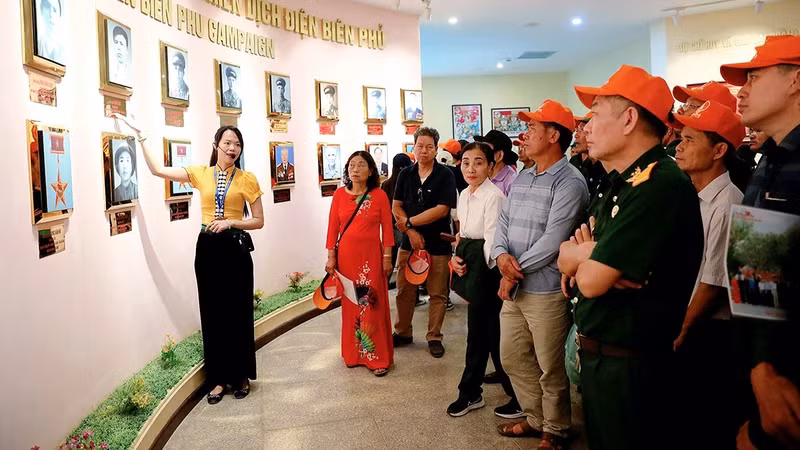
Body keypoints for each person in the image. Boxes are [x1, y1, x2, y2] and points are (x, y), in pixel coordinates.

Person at [557, 65, 704, 450]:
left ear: (628, 119)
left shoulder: (657, 184)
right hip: (605, 358)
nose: (585, 128)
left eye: (595, 115)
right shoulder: (621, 183)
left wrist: (585, 256)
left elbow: (588, 280)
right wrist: (587, 254)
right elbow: (565, 256)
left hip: (632, 365)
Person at [114, 115, 264, 404]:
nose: (232, 149)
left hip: (235, 249)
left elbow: (258, 221)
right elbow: (158, 170)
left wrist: (231, 222)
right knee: (212, 313)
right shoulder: (201, 173)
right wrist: (141, 134)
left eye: (237, 145)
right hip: (208, 248)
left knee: (238, 312)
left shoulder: (247, 179)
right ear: (216, 145)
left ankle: (241, 375)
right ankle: (218, 379)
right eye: (227, 143)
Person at [492, 100, 588, 448]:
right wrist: (501, 256)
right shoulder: (524, 176)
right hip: (515, 286)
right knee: (512, 357)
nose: (524, 134)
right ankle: (536, 418)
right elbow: (502, 223)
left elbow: (554, 240)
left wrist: (511, 273)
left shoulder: (569, 182)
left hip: (546, 289)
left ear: (553, 135)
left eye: (532, 128)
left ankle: (557, 429)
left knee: (549, 365)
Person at [720, 35, 800, 450]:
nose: (742, 90)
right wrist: (759, 367)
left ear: (794, 81)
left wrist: (769, 372)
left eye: (754, 77)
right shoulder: (773, 157)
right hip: (762, 363)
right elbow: (755, 271)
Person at [669, 100, 747, 447]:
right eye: (680, 138)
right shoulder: (688, 194)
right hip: (681, 318)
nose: (678, 147)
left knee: (706, 419)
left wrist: (681, 328)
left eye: (689, 140)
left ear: (718, 150)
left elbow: (713, 280)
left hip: (707, 328)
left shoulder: (728, 202)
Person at [447, 142, 520, 419]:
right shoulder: (464, 194)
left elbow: (493, 240)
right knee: (480, 334)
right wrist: (456, 257)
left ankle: (515, 394)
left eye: (478, 162)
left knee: (493, 335)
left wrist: (473, 261)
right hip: (472, 266)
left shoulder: (495, 196)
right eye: (465, 162)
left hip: (489, 271)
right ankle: (473, 391)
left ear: (491, 166)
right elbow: (462, 234)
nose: (471, 168)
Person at [325, 151, 395, 376]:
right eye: (351, 165)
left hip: (371, 259)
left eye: (361, 165)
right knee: (352, 305)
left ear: (371, 170)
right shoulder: (338, 195)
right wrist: (331, 257)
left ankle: (377, 357)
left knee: (371, 304)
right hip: (346, 259)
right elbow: (332, 229)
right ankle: (354, 354)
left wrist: (387, 258)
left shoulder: (379, 195)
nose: (355, 169)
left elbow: (388, 230)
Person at [392, 127, 457, 358]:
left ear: (436, 148)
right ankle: (403, 332)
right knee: (404, 290)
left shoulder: (446, 175)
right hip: (409, 245)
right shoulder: (405, 175)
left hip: (438, 244)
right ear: (413, 147)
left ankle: (434, 336)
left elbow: (442, 210)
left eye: (429, 146)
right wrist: (410, 232)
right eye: (420, 145)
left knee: (438, 293)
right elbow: (396, 205)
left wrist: (408, 223)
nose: (424, 150)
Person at [381, 153, 414, 287]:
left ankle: (384, 286)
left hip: (390, 228)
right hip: (406, 226)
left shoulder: (386, 184)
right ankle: (414, 296)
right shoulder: (409, 184)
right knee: (409, 261)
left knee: (390, 260)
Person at [569, 113, 606, 197]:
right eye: (576, 130)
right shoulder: (576, 162)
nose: (576, 135)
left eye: (582, 130)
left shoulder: (606, 167)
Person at [475, 130, 516, 196]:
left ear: (499, 155)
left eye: (486, 151)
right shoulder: (484, 175)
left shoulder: (512, 182)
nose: (481, 155)